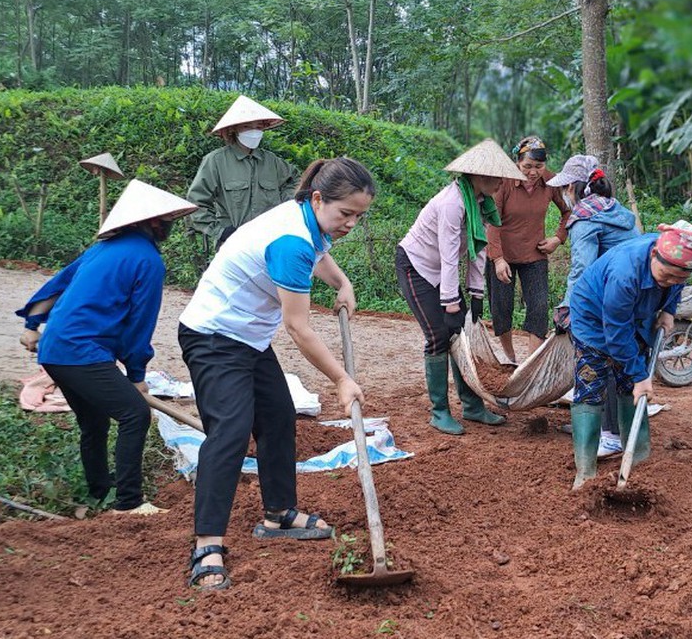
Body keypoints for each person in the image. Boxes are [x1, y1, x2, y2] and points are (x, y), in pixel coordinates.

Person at [178, 158, 375, 591]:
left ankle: (279, 514)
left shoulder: (308, 221)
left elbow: (319, 252)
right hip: (213, 336)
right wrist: (342, 379)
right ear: (319, 198)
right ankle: (206, 546)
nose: (351, 225)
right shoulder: (290, 239)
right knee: (229, 432)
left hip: (247, 339)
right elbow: (299, 328)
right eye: (346, 214)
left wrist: (341, 282)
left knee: (278, 416)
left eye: (359, 216)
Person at [16, 180, 197, 515]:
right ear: (154, 223)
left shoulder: (101, 249)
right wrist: (137, 374)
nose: (169, 226)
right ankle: (128, 502)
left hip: (55, 352)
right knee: (135, 413)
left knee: (95, 422)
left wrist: (31, 326)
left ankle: (101, 489)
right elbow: (139, 326)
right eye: (167, 220)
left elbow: (56, 284)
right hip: (81, 353)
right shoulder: (148, 261)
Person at [567, 222, 692, 490]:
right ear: (654, 253)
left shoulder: (678, 258)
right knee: (591, 387)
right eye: (665, 275)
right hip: (594, 321)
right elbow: (617, 334)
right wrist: (640, 376)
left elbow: (675, 285)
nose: (669, 281)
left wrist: (668, 309)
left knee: (628, 385)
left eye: (678, 278)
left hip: (634, 318)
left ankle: (640, 460)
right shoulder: (625, 273)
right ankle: (585, 472)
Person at [397, 139, 516, 435]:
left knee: (462, 334)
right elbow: (450, 254)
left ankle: (473, 407)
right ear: (477, 176)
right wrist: (450, 302)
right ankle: (439, 412)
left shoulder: (481, 203)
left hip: (441, 270)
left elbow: (476, 249)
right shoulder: (452, 203)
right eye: (496, 177)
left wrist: (476, 294)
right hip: (417, 266)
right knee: (439, 335)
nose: (501, 182)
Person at [547, 154, 640, 459]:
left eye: (565, 188)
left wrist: (566, 308)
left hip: (605, 299)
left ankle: (609, 435)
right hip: (631, 295)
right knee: (620, 363)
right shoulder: (619, 212)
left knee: (599, 364)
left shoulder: (585, 219)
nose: (563, 195)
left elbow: (582, 269)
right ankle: (625, 433)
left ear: (574, 188)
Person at [485, 136, 570, 362]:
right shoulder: (503, 183)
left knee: (539, 307)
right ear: (517, 164)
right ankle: (510, 359)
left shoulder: (551, 182)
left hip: (535, 254)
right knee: (501, 308)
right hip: (502, 255)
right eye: (527, 167)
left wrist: (558, 238)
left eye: (539, 167)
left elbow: (569, 212)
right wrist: (498, 259)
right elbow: (492, 221)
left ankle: (530, 364)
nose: (533, 172)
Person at [187, 94, 299, 251]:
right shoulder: (216, 161)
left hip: (271, 242)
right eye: (247, 126)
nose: (254, 132)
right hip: (233, 244)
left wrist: (285, 205)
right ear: (234, 129)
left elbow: (295, 181)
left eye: (258, 127)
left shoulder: (271, 161)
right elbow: (196, 202)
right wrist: (221, 231)